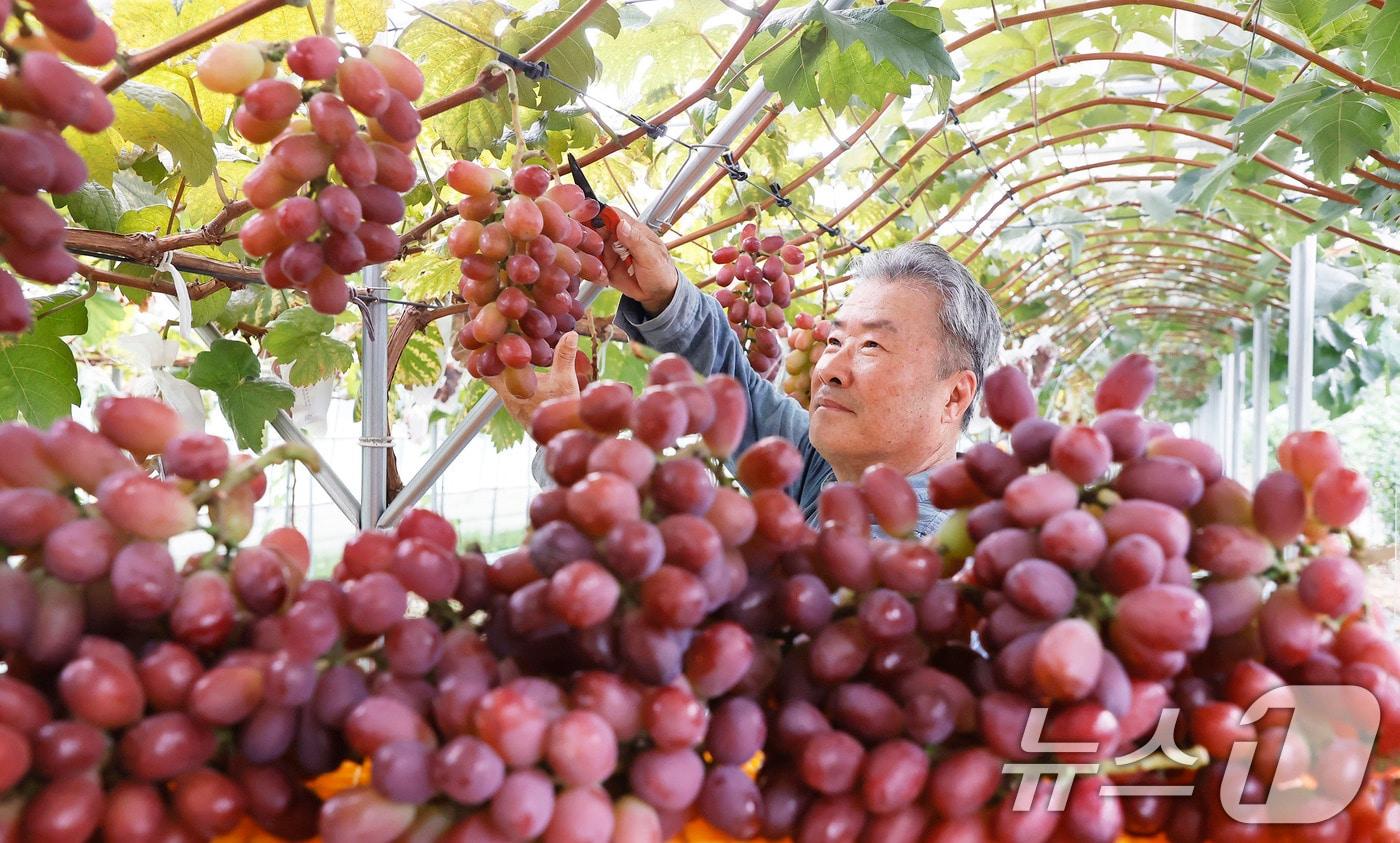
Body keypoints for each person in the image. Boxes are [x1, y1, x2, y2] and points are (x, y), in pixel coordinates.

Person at [488, 209, 1004, 538]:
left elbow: (673, 622)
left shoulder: (897, 555)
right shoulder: (836, 474)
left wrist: (573, 456)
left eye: (871, 345)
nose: (830, 371)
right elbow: (733, 394)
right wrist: (665, 294)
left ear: (955, 397)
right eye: (834, 341)